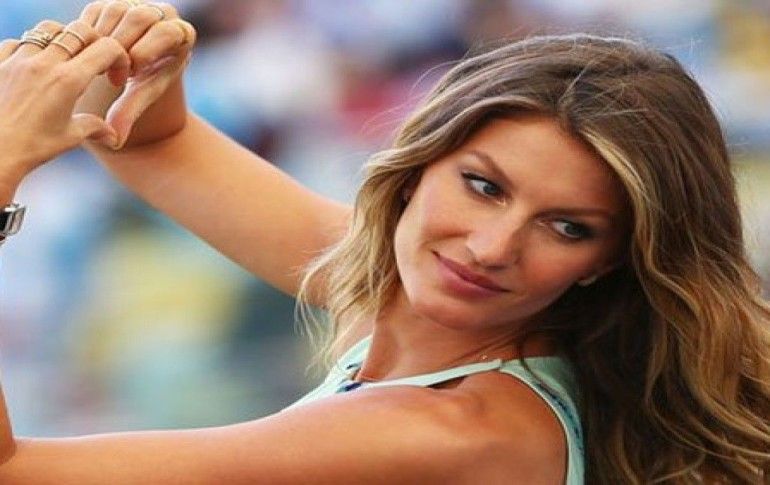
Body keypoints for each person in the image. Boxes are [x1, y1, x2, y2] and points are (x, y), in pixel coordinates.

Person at [0, 1, 768, 483]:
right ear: (415, 166)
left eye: (569, 226)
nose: (491, 245)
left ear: (609, 259)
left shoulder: (457, 428)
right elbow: (147, 141)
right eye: (483, 185)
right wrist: (124, 55)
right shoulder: (397, 293)